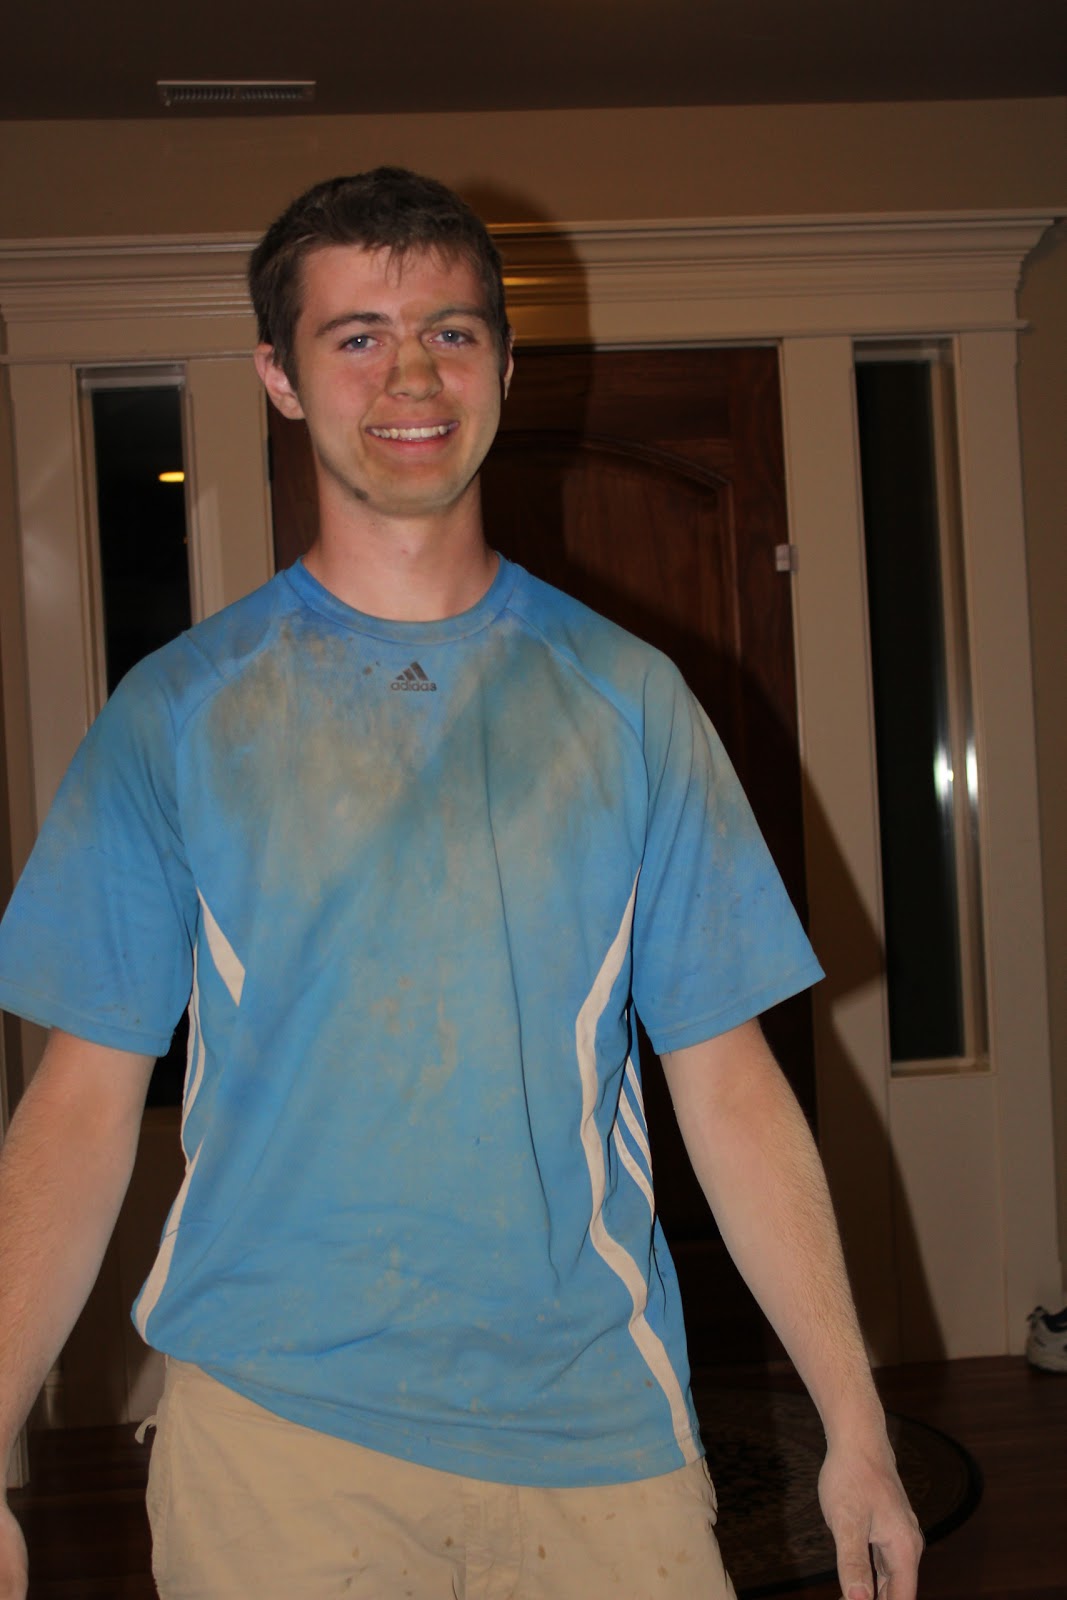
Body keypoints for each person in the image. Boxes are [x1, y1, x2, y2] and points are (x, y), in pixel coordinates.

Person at [0, 168, 922, 1600]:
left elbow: (730, 1084)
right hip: (275, 1442)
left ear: (502, 363)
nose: (412, 376)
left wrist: (854, 1425)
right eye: (356, 336)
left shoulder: (633, 702)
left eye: (451, 331)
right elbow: (77, 1104)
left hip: (597, 1428)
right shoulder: (174, 716)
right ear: (279, 376)